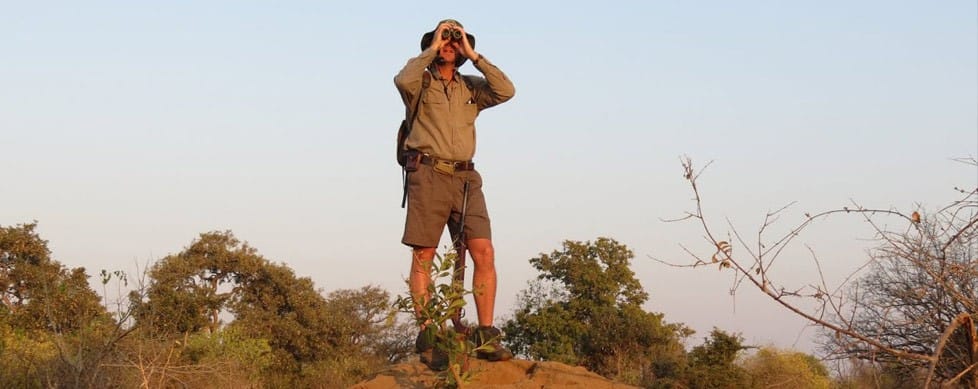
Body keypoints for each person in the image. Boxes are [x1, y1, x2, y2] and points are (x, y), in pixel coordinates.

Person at [394, 19, 515, 365]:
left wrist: (474, 54)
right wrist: (431, 47)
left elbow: (506, 90)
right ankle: (430, 337)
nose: (450, 43)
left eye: (455, 39)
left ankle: (486, 335)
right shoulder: (420, 82)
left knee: (484, 251)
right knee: (424, 256)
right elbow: (401, 79)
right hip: (428, 173)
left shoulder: (472, 88)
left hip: (466, 177)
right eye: (445, 37)